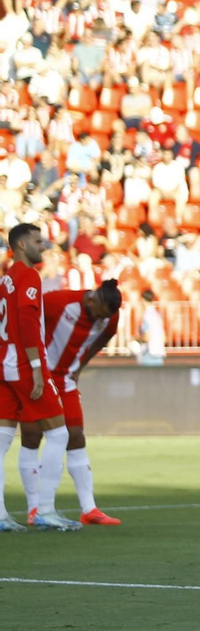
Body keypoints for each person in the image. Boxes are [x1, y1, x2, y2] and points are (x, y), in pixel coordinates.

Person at [16, 281, 123, 527]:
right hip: (39, 377)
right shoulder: (58, 302)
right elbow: (25, 322)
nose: (99, 319)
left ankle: (89, 509)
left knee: (75, 437)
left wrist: (81, 366)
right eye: (97, 313)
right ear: (92, 299)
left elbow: (105, 337)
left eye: (104, 317)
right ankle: (34, 508)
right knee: (32, 436)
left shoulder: (110, 316)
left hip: (65, 381)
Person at [0, 224, 76, 532]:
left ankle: (1, 515)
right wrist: (35, 366)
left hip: (4, 363)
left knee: (2, 440)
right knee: (58, 434)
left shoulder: (5, 278)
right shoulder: (28, 275)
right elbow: (27, 321)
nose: (43, 246)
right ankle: (44, 510)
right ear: (21, 245)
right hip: (24, 364)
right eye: (37, 241)